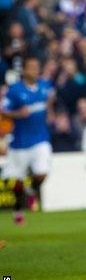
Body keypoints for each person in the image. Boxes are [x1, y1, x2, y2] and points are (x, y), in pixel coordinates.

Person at [1, 56, 54, 223]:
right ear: (24, 70)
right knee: (15, 180)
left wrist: (50, 111)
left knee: (43, 172)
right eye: (31, 67)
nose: (35, 70)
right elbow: (3, 111)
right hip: (20, 143)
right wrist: (18, 114)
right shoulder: (15, 90)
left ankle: (31, 191)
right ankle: (18, 210)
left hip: (40, 139)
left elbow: (50, 99)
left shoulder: (45, 86)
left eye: (37, 67)